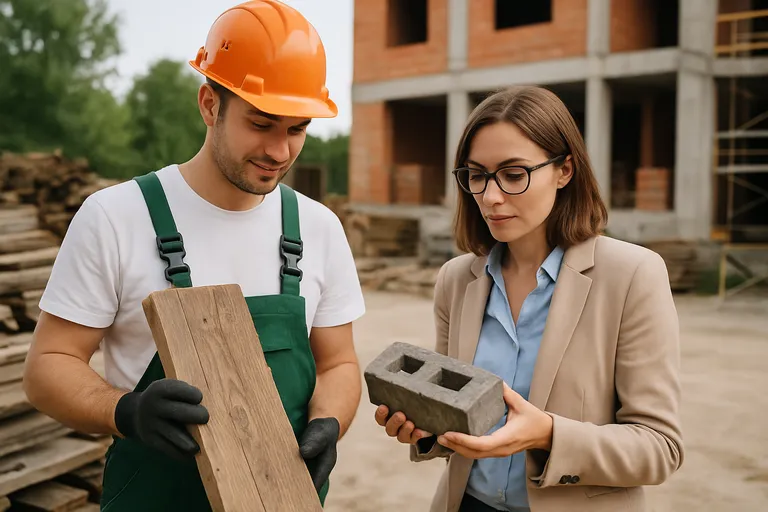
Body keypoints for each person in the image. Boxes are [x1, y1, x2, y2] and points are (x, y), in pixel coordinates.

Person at [22, 2, 365, 511]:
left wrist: (329, 422)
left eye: (297, 129)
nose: (279, 151)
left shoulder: (319, 228)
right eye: (262, 123)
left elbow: (339, 363)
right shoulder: (116, 216)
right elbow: (47, 366)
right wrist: (127, 410)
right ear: (209, 104)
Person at [375, 85, 684, 512]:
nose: (491, 196)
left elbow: (659, 448)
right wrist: (426, 428)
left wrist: (548, 435)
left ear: (565, 170)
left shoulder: (633, 275)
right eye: (477, 175)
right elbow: (457, 410)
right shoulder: (455, 279)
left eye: (514, 174)